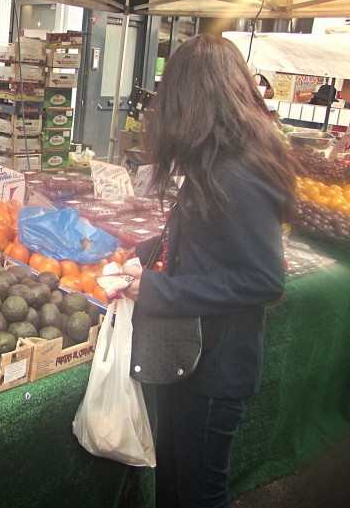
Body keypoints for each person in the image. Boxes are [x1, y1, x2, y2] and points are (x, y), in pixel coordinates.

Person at [122, 33, 296, 508]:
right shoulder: (216, 160)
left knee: (200, 493)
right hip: (189, 358)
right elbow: (206, 242)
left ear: (193, 98)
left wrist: (156, 290)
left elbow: (263, 279)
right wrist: (140, 251)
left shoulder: (237, 171)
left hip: (215, 369)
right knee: (175, 484)